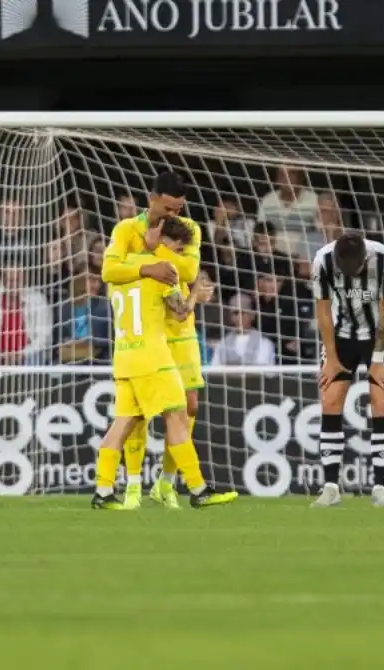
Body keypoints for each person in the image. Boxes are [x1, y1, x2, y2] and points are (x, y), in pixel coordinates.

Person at [102, 171, 236, 509]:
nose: (175, 214)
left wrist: (152, 252)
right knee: (155, 415)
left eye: (180, 208)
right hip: (152, 341)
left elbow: (188, 273)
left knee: (180, 407)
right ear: (154, 198)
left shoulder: (187, 230)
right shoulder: (127, 230)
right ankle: (140, 486)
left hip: (166, 338)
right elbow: (113, 271)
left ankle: (147, 485)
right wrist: (155, 261)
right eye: (169, 207)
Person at [310, 231, 384, 508]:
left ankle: (380, 488)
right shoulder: (322, 260)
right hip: (342, 333)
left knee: (382, 402)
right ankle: (330, 488)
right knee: (329, 400)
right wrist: (331, 357)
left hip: (380, 335)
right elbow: (323, 311)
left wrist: (377, 360)